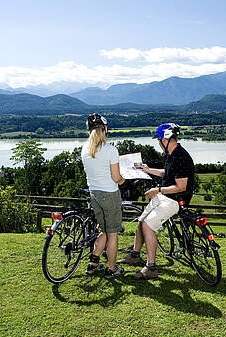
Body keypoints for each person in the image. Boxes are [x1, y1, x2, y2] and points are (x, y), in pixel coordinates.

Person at [117, 123, 195, 280]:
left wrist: (157, 190)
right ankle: (134, 255)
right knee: (141, 221)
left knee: (147, 225)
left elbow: (180, 186)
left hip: (175, 200)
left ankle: (151, 267)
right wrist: (148, 169)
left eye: (159, 140)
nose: (158, 144)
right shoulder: (172, 154)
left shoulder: (180, 157)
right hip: (165, 196)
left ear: (165, 139)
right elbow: (167, 173)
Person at [81, 113, 126, 278]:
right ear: (105, 129)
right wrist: (123, 180)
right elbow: (116, 178)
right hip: (110, 195)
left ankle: (93, 264)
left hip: (95, 195)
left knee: (104, 231)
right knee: (112, 233)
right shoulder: (110, 150)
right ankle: (112, 269)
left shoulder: (85, 149)